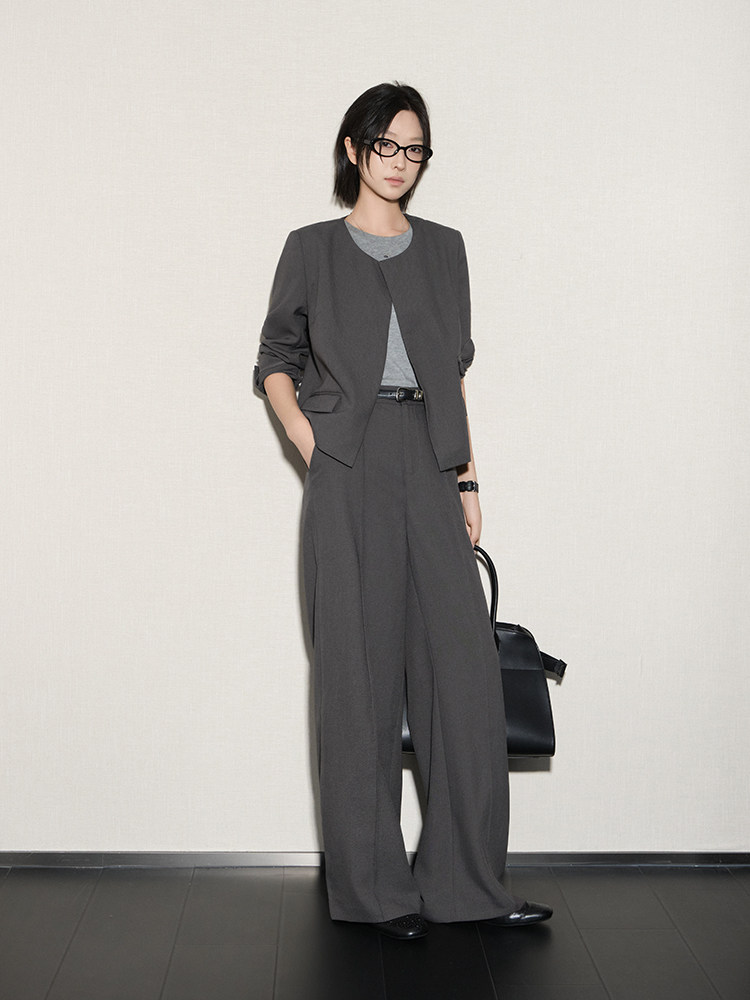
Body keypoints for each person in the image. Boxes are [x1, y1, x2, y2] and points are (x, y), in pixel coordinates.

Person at [254, 82, 552, 940]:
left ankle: (466, 886)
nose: (399, 162)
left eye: (414, 148)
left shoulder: (446, 249)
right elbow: (274, 358)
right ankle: (374, 892)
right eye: (385, 144)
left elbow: (451, 373)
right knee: (358, 680)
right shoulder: (311, 247)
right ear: (354, 149)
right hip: (348, 464)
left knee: (464, 679)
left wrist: (466, 479)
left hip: (430, 456)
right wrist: (312, 444)